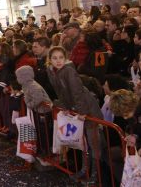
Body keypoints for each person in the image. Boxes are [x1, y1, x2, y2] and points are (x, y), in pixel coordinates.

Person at [47, 46, 103, 183]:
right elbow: (61, 92)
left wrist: (82, 111)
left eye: (61, 57)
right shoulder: (53, 71)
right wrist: (66, 107)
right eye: (55, 58)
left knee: (93, 144)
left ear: (65, 57)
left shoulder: (69, 71)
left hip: (88, 111)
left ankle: (96, 176)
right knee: (83, 143)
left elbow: (77, 92)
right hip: (78, 110)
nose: (58, 60)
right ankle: (85, 171)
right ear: (50, 60)